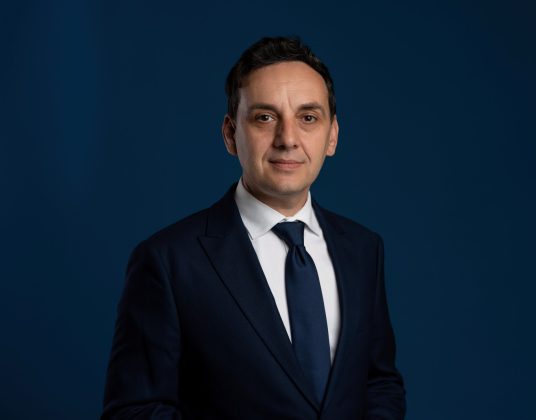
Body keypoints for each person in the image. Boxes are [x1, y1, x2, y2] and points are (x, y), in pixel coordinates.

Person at [102, 36, 405, 419]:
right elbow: (134, 411)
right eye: (265, 117)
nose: (288, 139)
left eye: (308, 118)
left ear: (332, 136)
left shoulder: (362, 249)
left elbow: (379, 382)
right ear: (231, 134)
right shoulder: (168, 261)